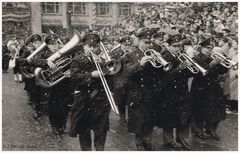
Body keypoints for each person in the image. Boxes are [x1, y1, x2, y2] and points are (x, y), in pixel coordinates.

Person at [69, 33, 112, 150]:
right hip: (85, 100)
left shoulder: (101, 59)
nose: (93, 49)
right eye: (90, 46)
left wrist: (104, 66)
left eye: (95, 46)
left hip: (100, 100)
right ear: (84, 46)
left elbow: (109, 75)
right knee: (84, 131)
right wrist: (91, 75)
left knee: (101, 131)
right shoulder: (77, 59)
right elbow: (74, 78)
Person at [191, 38, 228, 141]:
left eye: (211, 48)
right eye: (207, 48)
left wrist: (223, 62)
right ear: (201, 48)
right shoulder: (196, 58)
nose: (210, 50)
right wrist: (212, 64)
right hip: (201, 86)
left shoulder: (213, 57)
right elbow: (199, 72)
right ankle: (198, 131)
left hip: (213, 86)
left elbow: (221, 71)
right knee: (200, 109)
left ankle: (211, 129)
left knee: (216, 109)